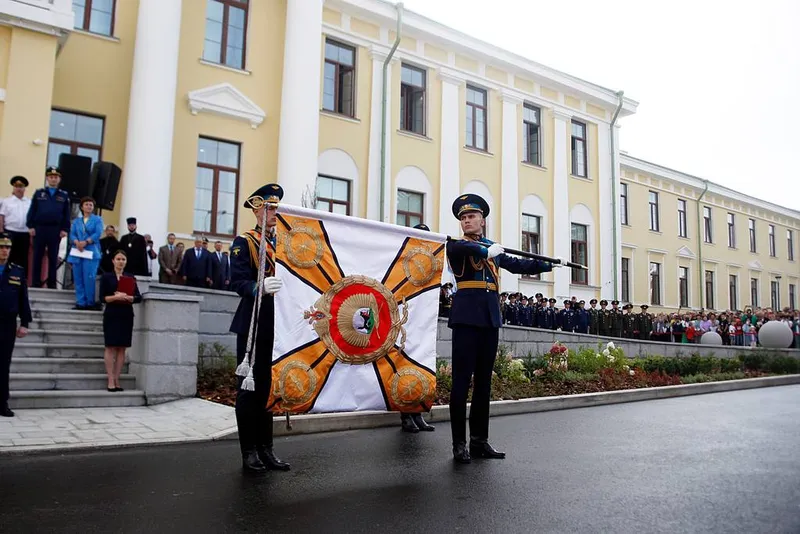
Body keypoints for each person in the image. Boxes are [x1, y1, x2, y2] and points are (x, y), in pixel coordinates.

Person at [446, 193, 563, 464]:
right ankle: (458, 444)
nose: (467, 221)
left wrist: (549, 264)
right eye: (463, 218)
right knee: (461, 383)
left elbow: (519, 264)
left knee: (484, 383)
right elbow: (464, 251)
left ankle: (479, 441)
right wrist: (487, 251)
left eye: (471, 216)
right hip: (465, 319)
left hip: (489, 319)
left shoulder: (492, 248)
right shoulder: (457, 246)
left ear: (482, 220)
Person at [229, 183, 289, 474]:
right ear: (256, 210)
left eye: (276, 207)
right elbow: (237, 282)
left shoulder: (285, 245)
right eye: (269, 207)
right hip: (253, 322)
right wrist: (259, 286)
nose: (274, 213)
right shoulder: (245, 242)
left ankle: (267, 449)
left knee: (268, 389)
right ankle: (249, 451)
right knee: (249, 391)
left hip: (276, 324)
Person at [399, 222, 436, 433]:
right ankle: (405, 415)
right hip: (406, 321)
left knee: (422, 366)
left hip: (424, 322)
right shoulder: (404, 261)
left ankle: (417, 412)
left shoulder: (431, 261)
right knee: (405, 368)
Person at [99, 250, 142, 391]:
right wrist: (116, 297)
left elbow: (138, 297)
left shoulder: (130, 277)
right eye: (118, 259)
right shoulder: (106, 277)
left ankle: (117, 378)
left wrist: (129, 298)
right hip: (112, 313)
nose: (121, 261)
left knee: (122, 348)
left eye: (123, 259)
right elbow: (102, 298)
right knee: (110, 346)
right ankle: (110, 378)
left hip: (126, 314)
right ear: (113, 261)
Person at [0, 232, 31, 417]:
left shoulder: (17, 271)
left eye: (7, 247)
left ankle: (2, 401)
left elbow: (23, 298)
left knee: (3, 364)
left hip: (7, 324)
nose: (4, 251)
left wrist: (25, 322)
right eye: (1, 247)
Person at [26, 167, 70, 288]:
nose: (53, 179)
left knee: (52, 257)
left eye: (56, 177)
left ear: (59, 179)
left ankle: (52, 284)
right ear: (47, 178)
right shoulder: (39, 193)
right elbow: (32, 211)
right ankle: (35, 283)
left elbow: (66, 214)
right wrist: (30, 226)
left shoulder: (64, 195)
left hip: (55, 230)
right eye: (51, 177)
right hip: (39, 228)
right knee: (37, 257)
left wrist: (65, 229)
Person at [67, 197, 103, 310]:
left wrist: (86, 241)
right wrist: (77, 242)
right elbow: (72, 234)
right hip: (77, 251)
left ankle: (89, 302)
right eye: (86, 204)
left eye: (91, 205)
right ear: (82, 207)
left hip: (90, 251)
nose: (89, 206)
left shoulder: (97, 219)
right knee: (78, 278)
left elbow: (98, 233)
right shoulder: (77, 221)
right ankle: (80, 302)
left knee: (89, 277)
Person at [0, 176, 32, 275]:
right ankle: (6, 278)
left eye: (21, 186)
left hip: (24, 233)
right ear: (13, 187)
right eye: (16, 186)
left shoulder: (29, 202)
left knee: (23, 257)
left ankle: (22, 279)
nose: (18, 188)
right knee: (9, 256)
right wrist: (1, 231)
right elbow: (1, 216)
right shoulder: (6, 201)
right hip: (9, 232)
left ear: (24, 188)